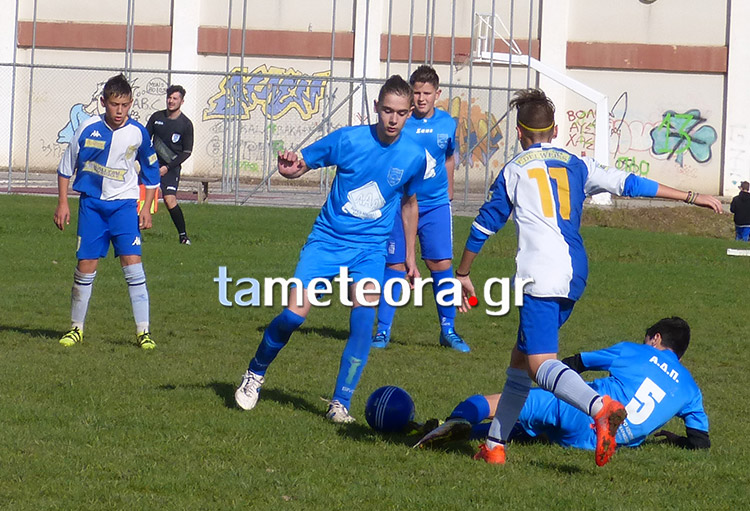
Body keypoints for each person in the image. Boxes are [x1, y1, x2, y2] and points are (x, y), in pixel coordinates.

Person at [454, 88, 722, 467]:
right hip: (576, 270)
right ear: (556, 128)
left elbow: (483, 226)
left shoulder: (514, 169)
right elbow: (631, 184)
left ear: (519, 133)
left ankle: (599, 407)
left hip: (541, 272)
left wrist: (463, 272)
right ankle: (495, 445)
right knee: (520, 359)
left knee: (538, 363)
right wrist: (690, 196)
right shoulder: (578, 163)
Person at [234, 75, 426, 423]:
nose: (393, 119)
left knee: (363, 320)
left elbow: (409, 204)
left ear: (410, 112)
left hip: (370, 249)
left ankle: (340, 404)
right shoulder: (348, 139)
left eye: (400, 112)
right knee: (293, 316)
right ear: (376, 108)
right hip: (328, 241)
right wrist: (289, 169)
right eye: (386, 110)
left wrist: (410, 256)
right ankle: (255, 373)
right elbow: (301, 164)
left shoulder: (414, 156)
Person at [415, 317, 710, 453]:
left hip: (581, 410)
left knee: (503, 401)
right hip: (593, 444)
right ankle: (474, 433)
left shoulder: (636, 351)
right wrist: (675, 441)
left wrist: (542, 377)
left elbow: (577, 363)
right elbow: (700, 442)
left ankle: (452, 421)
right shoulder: (691, 390)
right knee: (533, 431)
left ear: (656, 338)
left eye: (649, 337)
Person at [54, 73, 161, 349]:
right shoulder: (87, 128)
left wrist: (147, 208)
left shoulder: (138, 132)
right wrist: (63, 203)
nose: (120, 111)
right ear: (104, 102)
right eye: (115, 104)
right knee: (86, 266)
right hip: (91, 205)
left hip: (124, 206)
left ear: (131, 103)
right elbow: (66, 168)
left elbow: (151, 173)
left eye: (125, 105)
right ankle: (76, 329)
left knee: (132, 263)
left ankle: (143, 332)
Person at [372, 65, 469, 353]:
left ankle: (449, 331)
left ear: (437, 94)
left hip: (436, 205)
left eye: (427, 93)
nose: (421, 98)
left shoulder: (448, 124)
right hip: (400, 205)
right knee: (396, 265)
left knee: (440, 265)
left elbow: (449, 157)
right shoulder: (400, 121)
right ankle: (382, 331)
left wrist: (449, 189)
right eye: (416, 92)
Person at [146, 84, 195, 245]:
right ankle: (132, 234)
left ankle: (183, 236)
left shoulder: (185, 124)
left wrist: (167, 167)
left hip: (171, 168)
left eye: (175, 98)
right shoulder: (156, 118)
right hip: (152, 165)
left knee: (169, 200)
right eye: (169, 98)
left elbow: (187, 152)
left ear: (181, 101)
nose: (171, 101)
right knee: (137, 198)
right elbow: (145, 140)